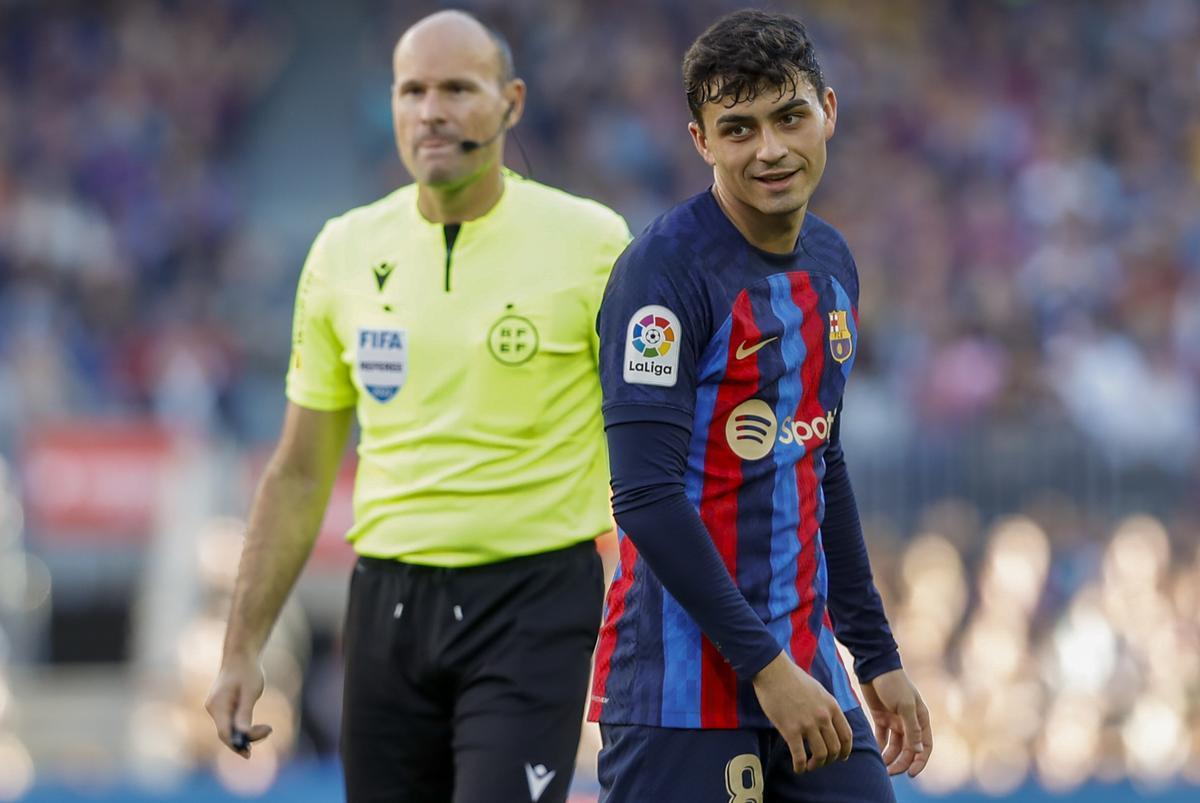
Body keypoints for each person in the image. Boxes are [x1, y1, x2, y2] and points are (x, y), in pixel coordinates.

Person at [204, 10, 630, 803]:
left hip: (534, 601)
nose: (430, 110)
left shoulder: (593, 243)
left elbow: (654, 447)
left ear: (511, 102)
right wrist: (241, 646)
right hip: (388, 607)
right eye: (412, 90)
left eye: (457, 89)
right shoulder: (343, 250)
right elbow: (298, 473)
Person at [588, 9, 932, 802]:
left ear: (829, 112)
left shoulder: (832, 262)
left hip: (807, 673)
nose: (771, 148)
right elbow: (643, 495)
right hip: (680, 699)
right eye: (738, 128)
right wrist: (765, 667)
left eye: (789, 116)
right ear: (701, 141)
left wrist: (873, 654)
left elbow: (821, 458)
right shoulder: (661, 276)